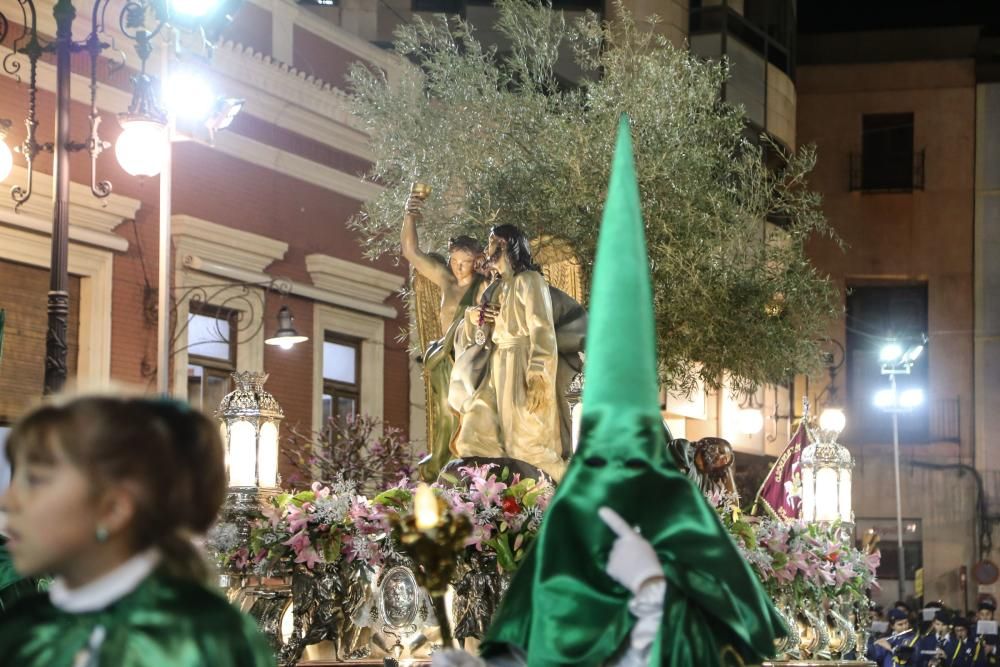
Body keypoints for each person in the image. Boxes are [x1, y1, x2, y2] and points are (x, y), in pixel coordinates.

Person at [436, 116, 785, 666]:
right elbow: (526, 633)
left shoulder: (669, 508)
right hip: (503, 389)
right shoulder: (584, 506)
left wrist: (652, 600)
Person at [0, 396, 275, 666]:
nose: (7, 501)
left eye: (35, 480)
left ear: (112, 510)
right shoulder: (27, 623)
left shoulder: (204, 636)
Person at [449, 224, 566, 480]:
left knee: (526, 446)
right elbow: (477, 337)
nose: (487, 249)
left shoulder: (530, 281)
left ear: (505, 245)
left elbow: (542, 329)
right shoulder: (495, 289)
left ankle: (572, 498)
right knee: (474, 433)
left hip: (522, 364)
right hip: (496, 366)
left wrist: (538, 375)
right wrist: (474, 317)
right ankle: (490, 499)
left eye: (491, 243)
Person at [401, 192, 488, 481]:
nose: (457, 267)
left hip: (471, 359)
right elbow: (411, 252)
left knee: (467, 415)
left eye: (464, 262)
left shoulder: (483, 286)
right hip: (443, 358)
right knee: (444, 416)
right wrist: (410, 213)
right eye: (454, 260)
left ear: (476, 261)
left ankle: (465, 465)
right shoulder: (445, 280)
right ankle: (443, 463)